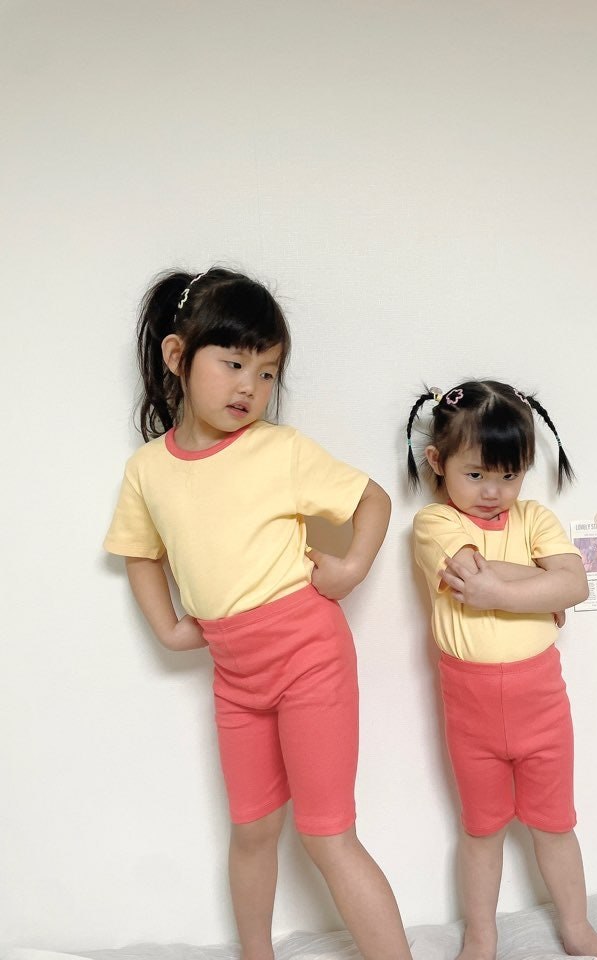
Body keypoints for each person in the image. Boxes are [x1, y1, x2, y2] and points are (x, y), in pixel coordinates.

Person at [105, 268, 412, 960]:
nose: (251, 386)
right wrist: (169, 629)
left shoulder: (280, 449)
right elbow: (139, 553)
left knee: (327, 833)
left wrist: (351, 568)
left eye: (268, 372)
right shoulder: (148, 470)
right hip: (236, 676)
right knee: (251, 830)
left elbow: (373, 500)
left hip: (309, 658)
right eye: (234, 363)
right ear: (178, 356)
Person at [406, 380, 597, 960]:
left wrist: (510, 590)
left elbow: (576, 584)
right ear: (437, 461)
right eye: (476, 474)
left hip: (541, 700)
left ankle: (577, 930)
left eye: (509, 475)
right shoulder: (435, 524)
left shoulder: (533, 517)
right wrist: (540, 587)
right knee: (481, 830)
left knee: (556, 824)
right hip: (471, 707)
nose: (493, 492)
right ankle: (481, 937)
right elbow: (473, 575)